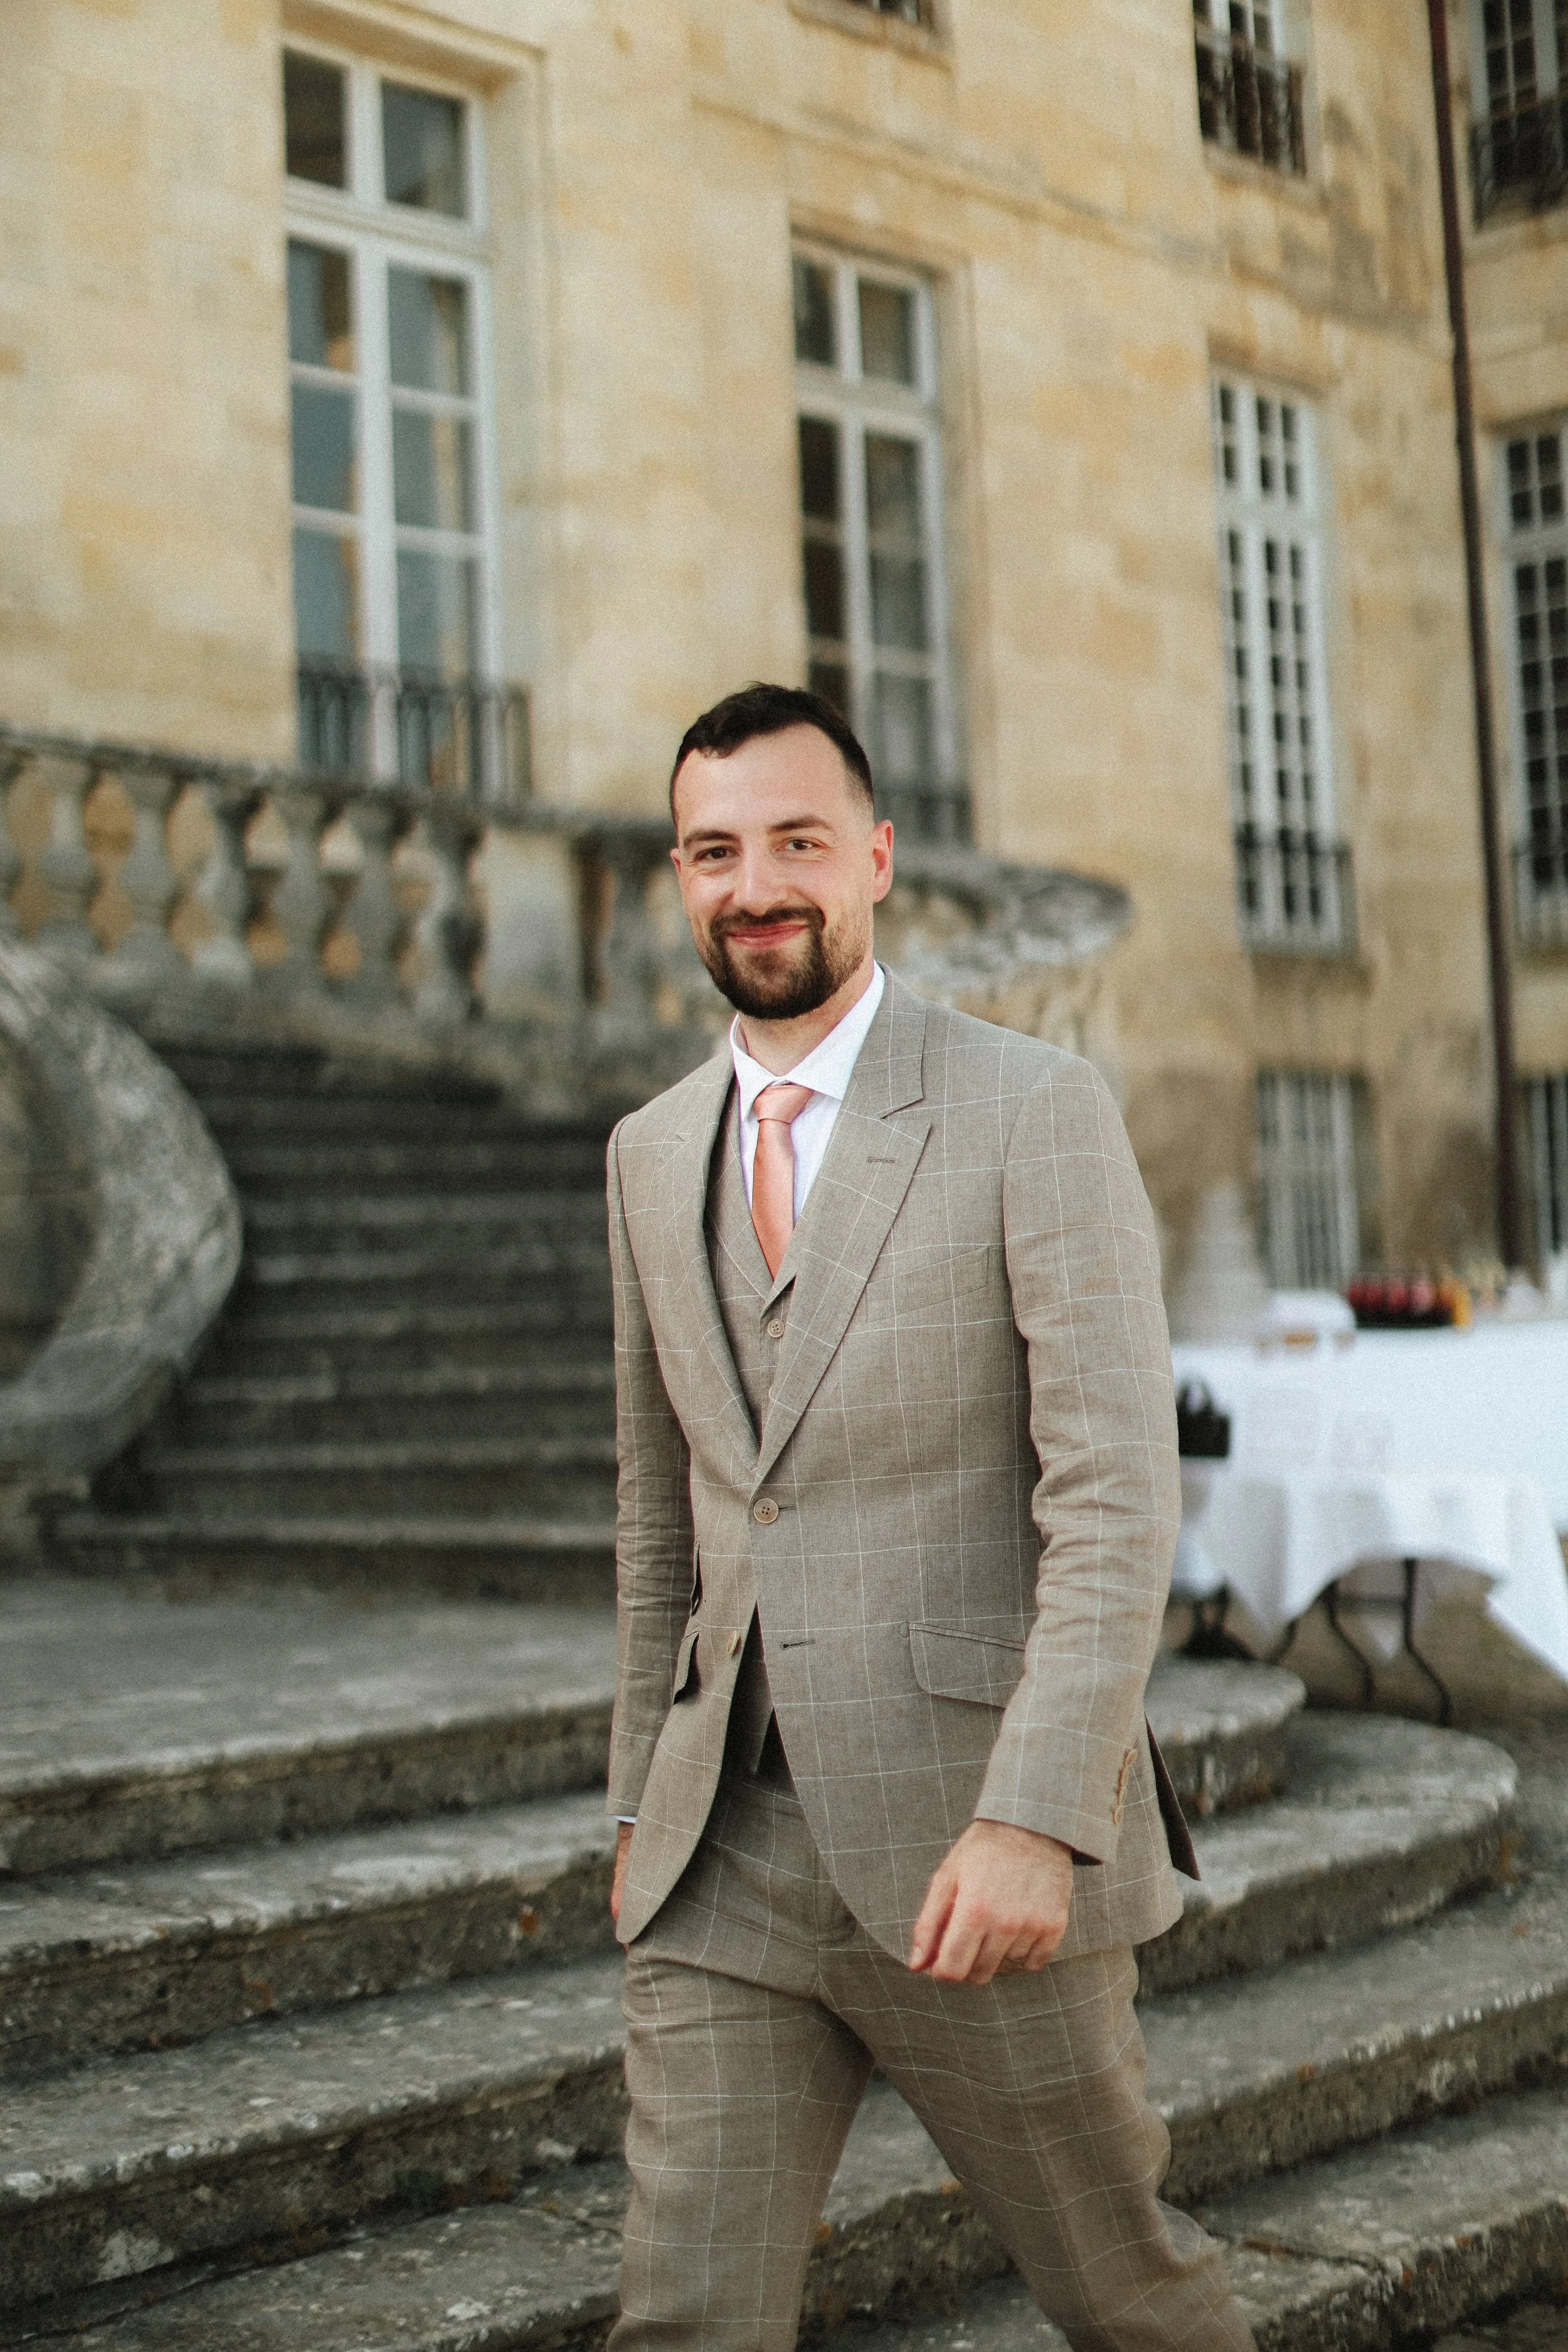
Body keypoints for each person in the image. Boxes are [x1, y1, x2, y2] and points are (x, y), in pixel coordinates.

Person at [603, 682, 1256, 2352]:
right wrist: (637, 1804)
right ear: (678, 876)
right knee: (686, 2315)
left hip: (972, 1842)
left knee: (1129, 2298)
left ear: (878, 857)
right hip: (724, 1854)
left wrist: (1038, 1814)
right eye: (713, 849)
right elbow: (660, 1511)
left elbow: (1112, 1495)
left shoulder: (1029, 1109)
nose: (755, 884)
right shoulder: (646, 1149)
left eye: (797, 842)